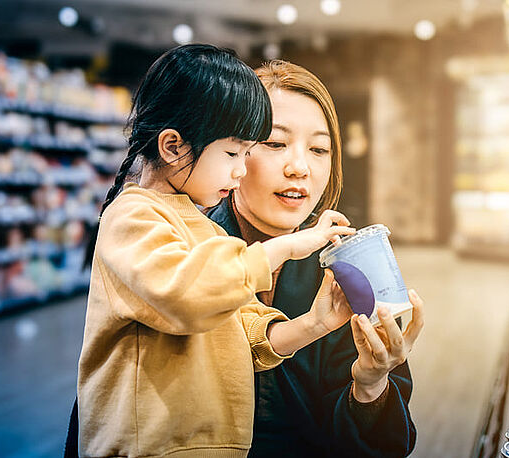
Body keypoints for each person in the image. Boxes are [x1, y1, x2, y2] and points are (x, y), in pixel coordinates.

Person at [74, 45, 358, 458]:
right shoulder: (132, 218)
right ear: (173, 147)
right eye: (234, 152)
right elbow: (187, 294)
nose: (240, 169)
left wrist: (314, 324)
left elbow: (243, 326)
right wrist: (287, 247)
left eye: (319, 149)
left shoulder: (200, 224)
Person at [205, 59, 425, 457]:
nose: (300, 168)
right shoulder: (185, 245)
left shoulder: (347, 262)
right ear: (232, 151)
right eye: (275, 143)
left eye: (319, 149)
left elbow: (387, 445)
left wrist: (371, 383)